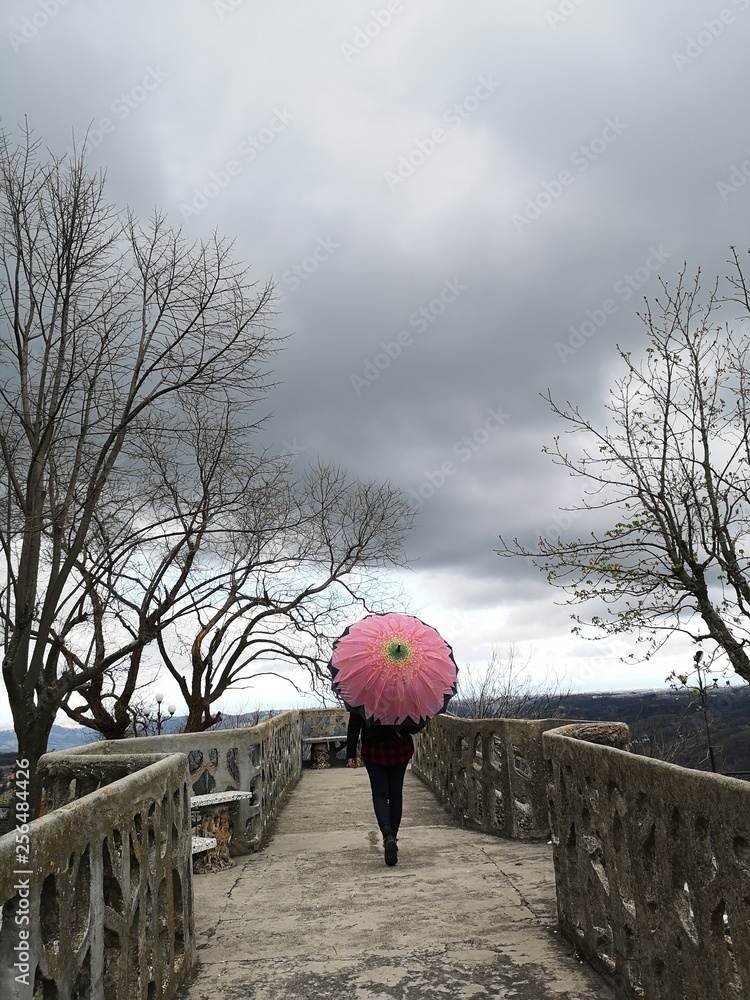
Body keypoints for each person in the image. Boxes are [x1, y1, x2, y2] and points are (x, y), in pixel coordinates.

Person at [346, 712, 414, 866]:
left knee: (380, 794)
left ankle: (387, 835)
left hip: (374, 747)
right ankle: (392, 839)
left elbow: (355, 723)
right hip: (400, 744)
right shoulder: (403, 689)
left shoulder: (364, 689)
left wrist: (351, 752)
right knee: (396, 793)